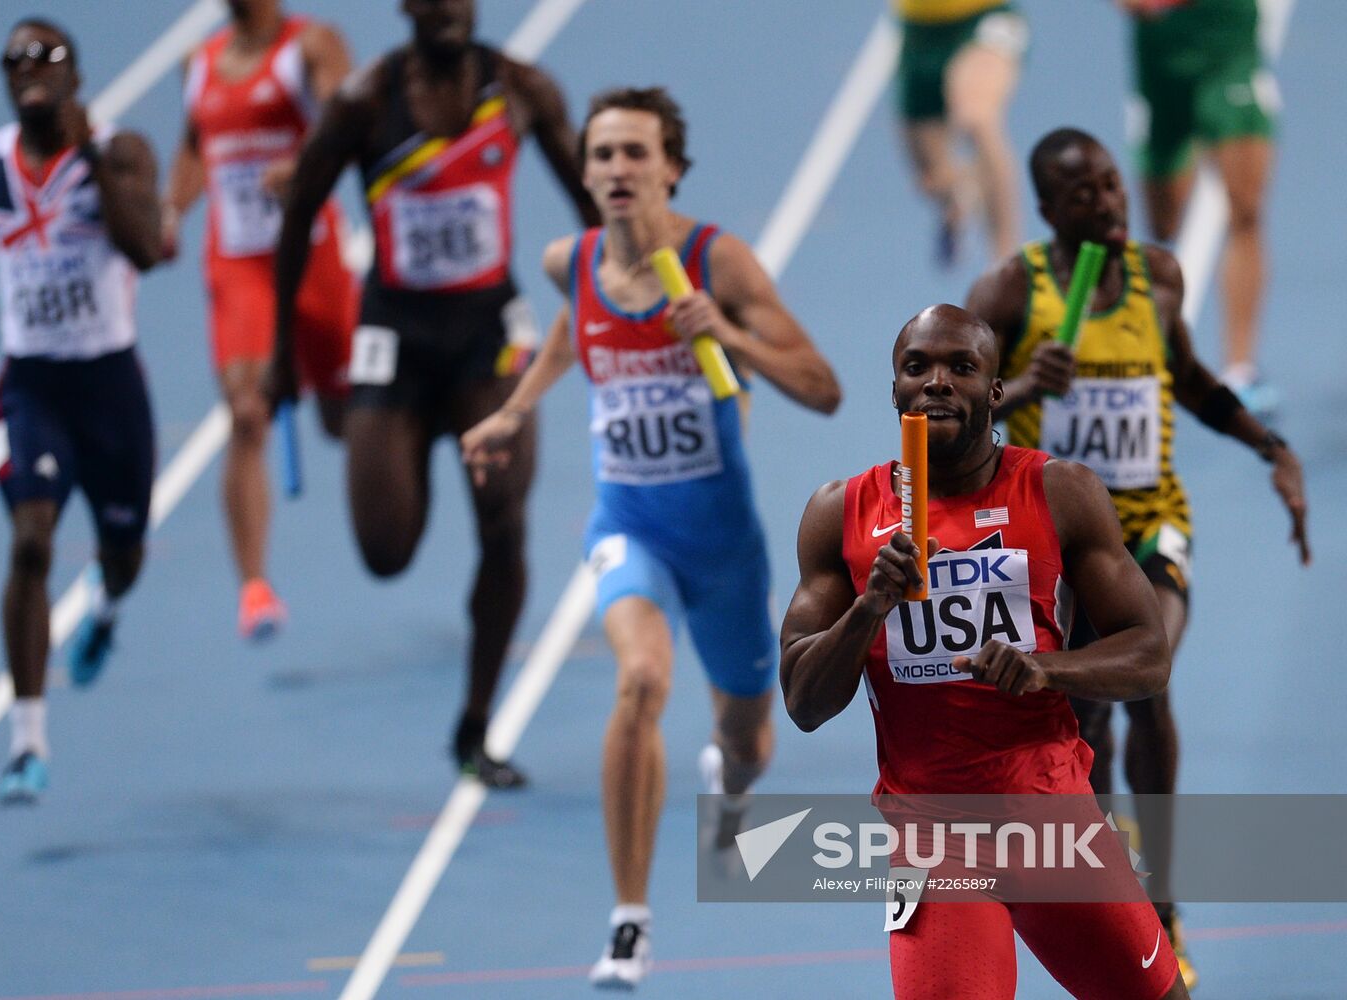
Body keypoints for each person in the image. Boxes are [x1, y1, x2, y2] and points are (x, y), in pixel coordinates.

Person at [461, 86, 841, 988]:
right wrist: (515, 412)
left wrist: (731, 341)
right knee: (639, 680)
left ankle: (731, 782)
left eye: (636, 153)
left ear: (672, 167)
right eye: (602, 155)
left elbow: (823, 387)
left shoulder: (720, 263)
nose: (618, 170)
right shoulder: (572, 259)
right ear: (586, 173)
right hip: (629, 528)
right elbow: (570, 333)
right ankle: (630, 919)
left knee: (748, 740)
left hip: (723, 547)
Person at [965, 126, 1310, 988]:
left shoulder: (1158, 277)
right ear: (1047, 210)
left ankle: (1162, 902)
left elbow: (1186, 377)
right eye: (1083, 195)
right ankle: (1111, 889)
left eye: (1113, 187)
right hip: (1056, 537)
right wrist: (1022, 389)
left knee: (1145, 673)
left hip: (1149, 525)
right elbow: (955, 413)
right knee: (1082, 724)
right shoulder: (1011, 291)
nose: (1108, 204)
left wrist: (1270, 446)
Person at [779, 304, 1188, 1000]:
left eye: (960, 367)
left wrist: (1044, 670)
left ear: (995, 390)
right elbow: (803, 703)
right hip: (932, 840)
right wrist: (867, 609)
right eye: (918, 367)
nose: (937, 382)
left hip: (1052, 817)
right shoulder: (839, 513)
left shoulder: (1061, 492)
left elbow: (1149, 655)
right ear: (895, 389)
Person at [271, 0, 597, 788]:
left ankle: (475, 727)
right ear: (406, 7)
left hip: (489, 335)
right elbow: (297, 218)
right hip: (395, 338)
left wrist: (627, 298)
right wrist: (288, 354)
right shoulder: (363, 103)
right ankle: (411, 438)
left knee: (502, 519)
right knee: (385, 550)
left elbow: (595, 204)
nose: (449, 7)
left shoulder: (520, 89)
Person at [0, 19, 162, 802]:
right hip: (32, 385)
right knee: (31, 544)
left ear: (77, 73)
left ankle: (105, 608)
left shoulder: (121, 152)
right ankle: (27, 740)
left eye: (45, 58)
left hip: (110, 389)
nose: (29, 70)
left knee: (125, 552)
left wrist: (88, 161)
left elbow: (143, 248)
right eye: (13, 60)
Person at [163, 0, 355, 641]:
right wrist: (170, 211)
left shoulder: (312, 47)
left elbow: (343, 122)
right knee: (247, 411)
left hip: (314, 254)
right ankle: (254, 588)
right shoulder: (200, 60)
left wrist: (304, 168)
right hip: (239, 261)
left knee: (342, 412)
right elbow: (197, 146)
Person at [1121, 0, 1281, 414]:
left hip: (1227, 42)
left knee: (1246, 209)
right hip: (1161, 49)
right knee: (1162, 225)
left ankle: (1240, 368)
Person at [893, 0, 1028, 265]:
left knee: (976, 116)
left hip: (985, 17)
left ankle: (1006, 262)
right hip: (919, 31)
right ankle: (959, 201)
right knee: (933, 179)